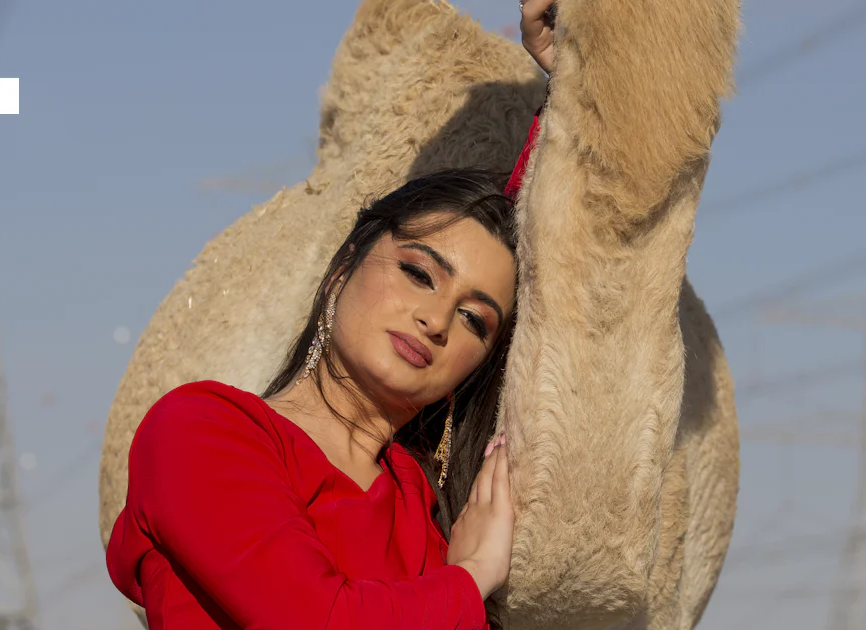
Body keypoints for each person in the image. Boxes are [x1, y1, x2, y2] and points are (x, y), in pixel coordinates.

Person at [105, 2, 557, 629]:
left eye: (475, 320)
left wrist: (572, 85)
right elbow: (318, 618)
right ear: (343, 268)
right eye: (419, 273)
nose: (436, 319)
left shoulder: (426, 523)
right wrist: (471, 577)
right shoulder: (198, 431)